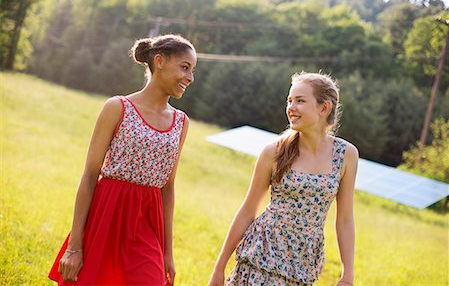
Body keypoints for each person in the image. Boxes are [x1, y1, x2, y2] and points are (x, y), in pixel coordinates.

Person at [48, 34, 197, 285]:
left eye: (192, 71)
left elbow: (168, 189)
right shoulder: (117, 107)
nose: (190, 78)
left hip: (147, 223)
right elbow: (89, 176)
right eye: (184, 68)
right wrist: (74, 246)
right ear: (159, 61)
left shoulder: (181, 123)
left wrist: (167, 253)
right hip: (107, 213)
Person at [208, 72, 358, 286]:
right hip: (262, 255)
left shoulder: (346, 155)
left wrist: (348, 275)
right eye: (289, 101)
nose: (291, 107)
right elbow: (248, 210)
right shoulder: (274, 152)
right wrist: (219, 268)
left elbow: (345, 219)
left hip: (303, 264)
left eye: (300, 101)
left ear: (324, 108)